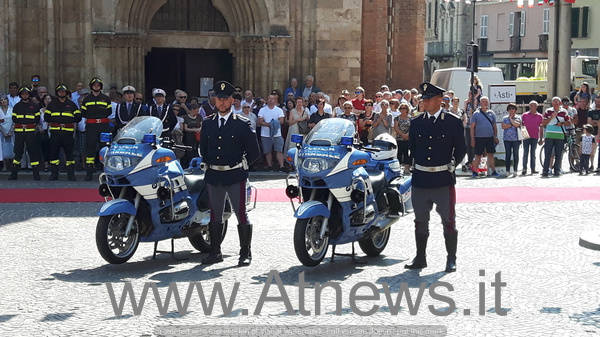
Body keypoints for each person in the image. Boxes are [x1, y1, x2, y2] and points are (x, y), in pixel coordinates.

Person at [405, 82, 466, 273]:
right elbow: (412, 149)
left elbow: (461, 149)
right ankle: (420, 258)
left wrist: (452, 165)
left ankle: (451, 259)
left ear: (439, 100)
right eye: (423, 98)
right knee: (420, 221)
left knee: (448, 222)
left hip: (442, 180)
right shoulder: (416, 123)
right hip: (421, 179)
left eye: (428, 99)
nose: (424, 102)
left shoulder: (453, 122)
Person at [199, 81, 260, 266]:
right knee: (215, 215)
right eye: (219, 99)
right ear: (214, 100)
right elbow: (203, 148)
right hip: (214, 175)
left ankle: (245, 253)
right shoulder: (208, 123)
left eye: (226, 99)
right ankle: (215, 252)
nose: (223, 103)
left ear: (233, 100)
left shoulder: (242, 124)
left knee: (241, 214)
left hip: (235, 175)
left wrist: (242, 165)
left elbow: (254, 153)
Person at [45, 84, 82, 180]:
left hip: (68, 134)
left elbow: (78, 117)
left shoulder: (72, 104)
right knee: (53, 154)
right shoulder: (52, 104)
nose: (62, 93)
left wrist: (66, 120)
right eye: (60, 91)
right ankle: (54, 174)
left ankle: (71, 175)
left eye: (63, 91)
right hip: (55, 134)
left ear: (66, 93)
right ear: (57, 93)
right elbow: (46, 117)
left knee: (69, 154)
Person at [10, 87, 41, 180]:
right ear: (20, 95)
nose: (25, 95)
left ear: (29, 95)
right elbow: (14, 118)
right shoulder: (16, 106)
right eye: (23, 94)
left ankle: (36, 174)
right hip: (19, 133)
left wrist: (29, 124)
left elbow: (37, 118)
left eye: (26, 94)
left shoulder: (35, 106)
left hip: (30, 132)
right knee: (18, 152)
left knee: (33, 152)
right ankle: (14, 174)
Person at [541, 97, 572, 177]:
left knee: (559, 154)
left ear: (560, 103)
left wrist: (561, 123)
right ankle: (545, 171)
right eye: (554, 102)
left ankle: (556, 171)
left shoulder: (564, 111)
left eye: (557, 102)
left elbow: (569, 122)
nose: (556, 103)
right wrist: (551, 117)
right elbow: (543, 123)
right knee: (547, 154)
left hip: (560, 135)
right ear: (552, 103)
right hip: (549, 135)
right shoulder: (548, 111)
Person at [470, 96, 500, 177]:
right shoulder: (476, 114)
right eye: (483, 101)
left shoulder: (492, 113)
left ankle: (493, 171)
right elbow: (472, 127)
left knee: (491, 155)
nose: (485, 103)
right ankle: (475, 172)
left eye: (486, 101)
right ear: (480, 103)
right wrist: (472, 139)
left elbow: (494, 126)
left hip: (490, 138)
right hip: (479, 138)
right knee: (478, 155)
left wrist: (495, 136)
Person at [258, 94, 286, 171]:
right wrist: (269, 124)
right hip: (265, 134)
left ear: (275, 100)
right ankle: (270, 166)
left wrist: (274, 124)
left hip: (277, 134)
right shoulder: (262, 110)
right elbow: (260, 121)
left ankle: (282, 166)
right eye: (269, 99)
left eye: (272, 99)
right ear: (267, 100)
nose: (270, 100)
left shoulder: (279, 110)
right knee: (268, 151)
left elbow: (282, 121)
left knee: (279, 151)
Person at [521, 101, 543, 175]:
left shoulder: (540, 116)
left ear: (537, 107)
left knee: (533, 153)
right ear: (529, 106)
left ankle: (533, 169)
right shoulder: (524, 115)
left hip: (535, 136)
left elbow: (541, 127)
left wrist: (541, 138)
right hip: (526, 136)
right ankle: (524, 169)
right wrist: (523, 136)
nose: (532, 107)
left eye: (534, 105)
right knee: (525, 153)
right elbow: (522, 126)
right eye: (531, 105)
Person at [501, 103, 522, 177]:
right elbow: (503, 126)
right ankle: (507, 171)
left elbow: (517, 125)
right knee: (508, 155)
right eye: (509, 109)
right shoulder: (504, 118)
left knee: (516, 155)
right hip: (507, 139)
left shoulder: (518, 117)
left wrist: (510, 120)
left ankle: (515, 170)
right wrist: (512, 124)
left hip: (516, 139)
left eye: (513, 108)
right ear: (508, 110)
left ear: (515, 110)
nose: (511, 110)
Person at [181, 103, 202, 168]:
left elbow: (201, 126)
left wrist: (198, 129)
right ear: (192, 110)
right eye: (196, 110)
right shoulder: (185, 117)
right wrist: (195, 130)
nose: (197, 112)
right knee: (188, 152)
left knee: (196, 151)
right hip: (188, 137)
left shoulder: (199, 117)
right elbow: (185, 128)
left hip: (197, 137)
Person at [393, 102, 411, 173]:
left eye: (404, 108)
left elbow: (411, 127)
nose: (402, 110)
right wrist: (402, 135)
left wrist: (407, 135)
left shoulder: (410, 118)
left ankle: (407, 168)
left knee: (407, 153)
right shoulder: (397, 118)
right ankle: (398, 168)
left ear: (407, 109)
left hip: (407, 138)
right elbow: (396, 128)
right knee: (399, 153)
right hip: (399, 138)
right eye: (401, 108)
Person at [0, 95, 15, 171]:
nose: (3, 101)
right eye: (1, 100)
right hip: (1, 132)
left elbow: (15, 121)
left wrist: (10, 131)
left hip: (11, 132)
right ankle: (5, 166)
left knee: (12, 147)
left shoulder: (12, 109)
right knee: (3, 149)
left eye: (4, 99)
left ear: (7, 101)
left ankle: (13, 165)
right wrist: (3, 132)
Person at [587, 97, 600, 173]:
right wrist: (597, 122)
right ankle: (591, 165)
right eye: (596, 101)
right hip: (592, 133)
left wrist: (595, 122)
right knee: (592, 151)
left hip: (597, 132)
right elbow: (589, 122)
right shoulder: (591, 111)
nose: (598, 103)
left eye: (599, 101)